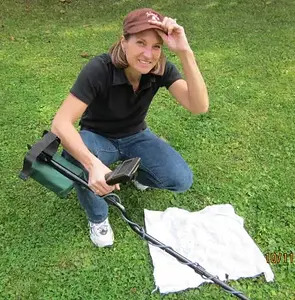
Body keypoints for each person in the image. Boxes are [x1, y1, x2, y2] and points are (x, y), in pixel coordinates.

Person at [51, 8, 209, 248]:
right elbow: (60, 123)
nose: (148, 54)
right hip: (97, 136)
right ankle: (98, 217)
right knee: (76, 158)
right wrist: (92, 163)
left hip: (136, 135)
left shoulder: (161, 69)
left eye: (156, 46)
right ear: (124, 41)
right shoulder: (99, 69)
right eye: (141, 43)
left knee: (181, 179)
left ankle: (132, 173)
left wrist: (185, 53)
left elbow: (198, 106)